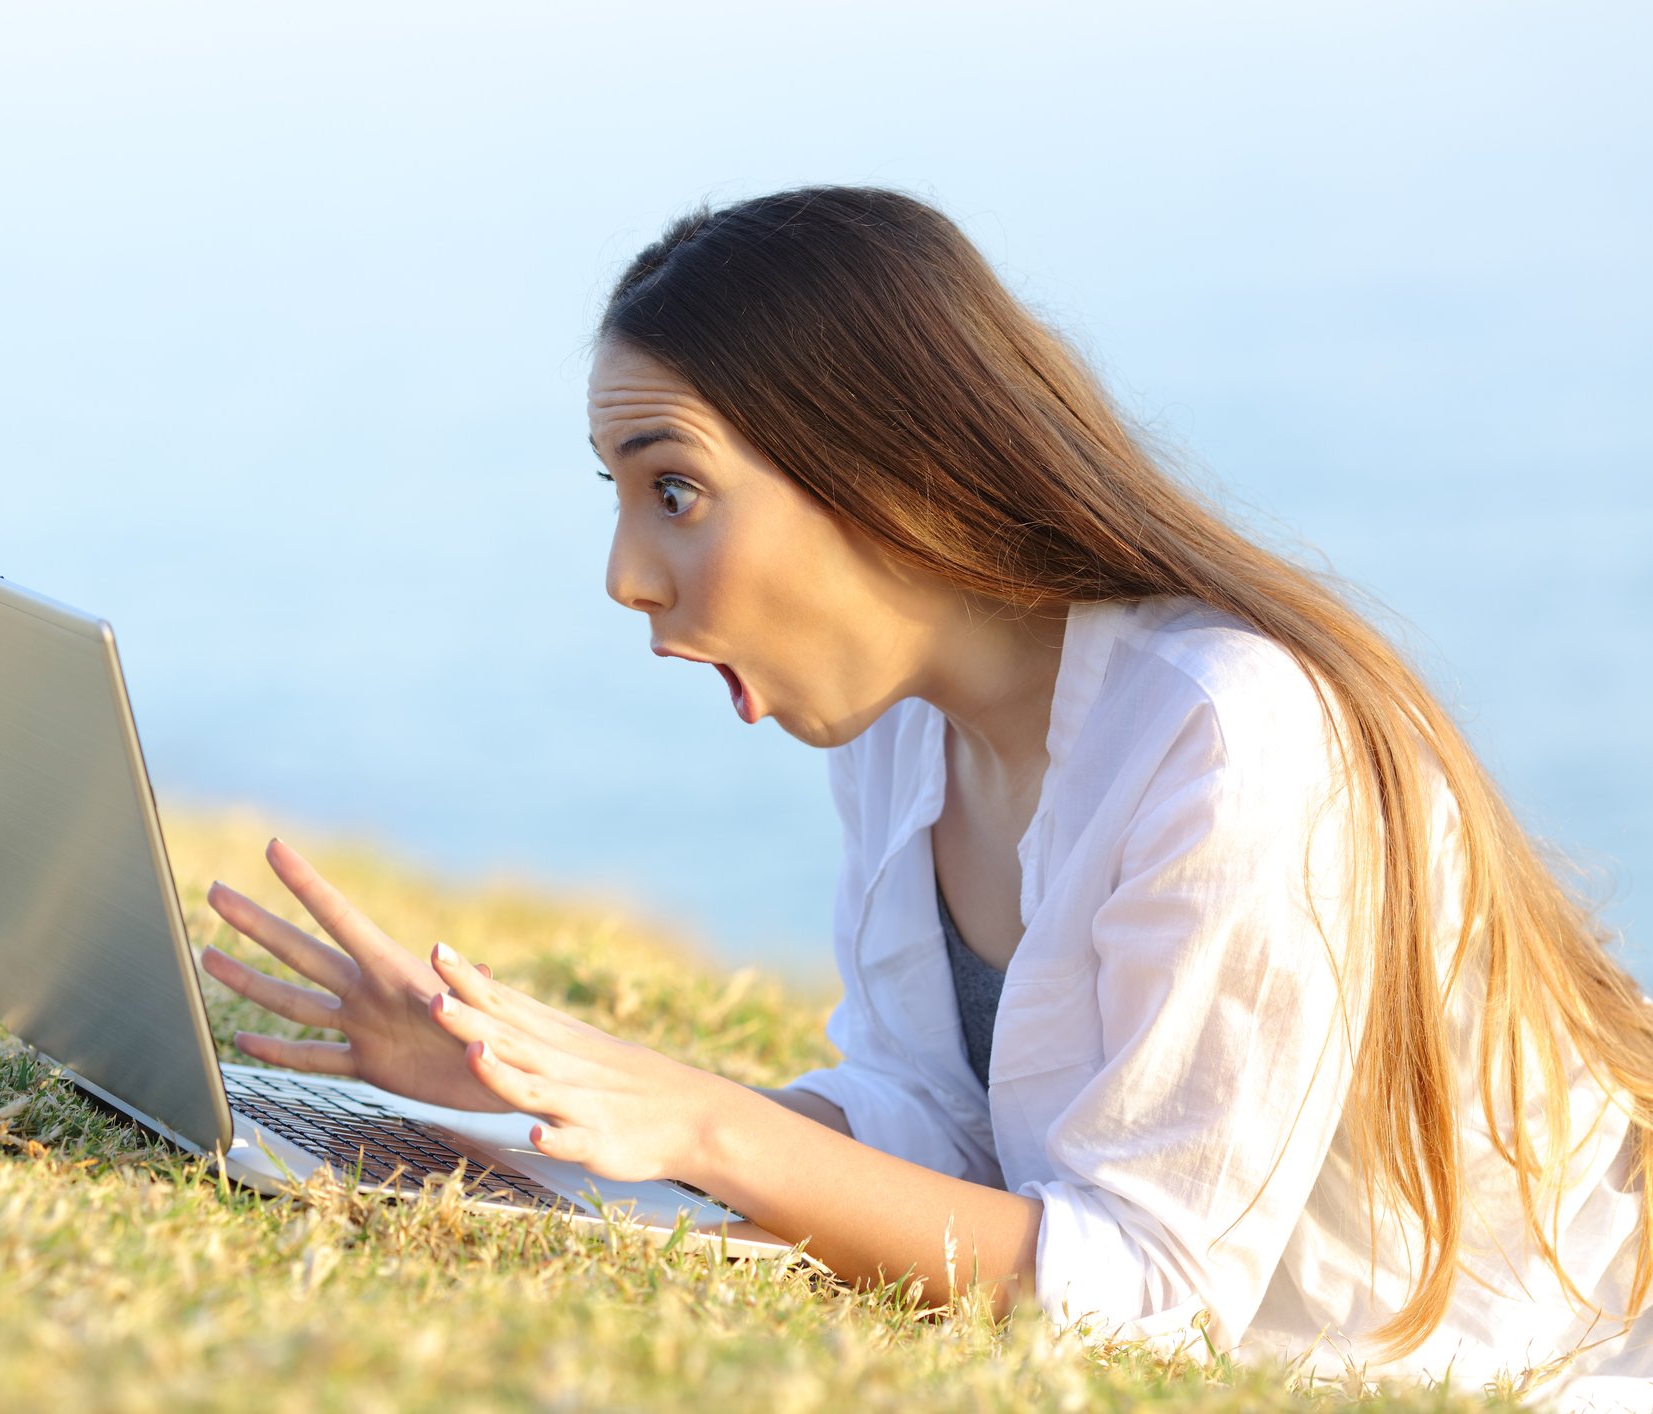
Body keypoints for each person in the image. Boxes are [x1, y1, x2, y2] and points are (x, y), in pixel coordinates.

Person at [198, 186, 1653, 1403]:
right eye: (619, 493)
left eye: (676, 492)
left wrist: (709, 1129)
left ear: (881, 470)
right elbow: (939, 1124)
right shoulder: (900, 729)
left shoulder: (1227, 733)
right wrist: (534, 1105)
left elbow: (1151, 1298)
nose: (627, 575)